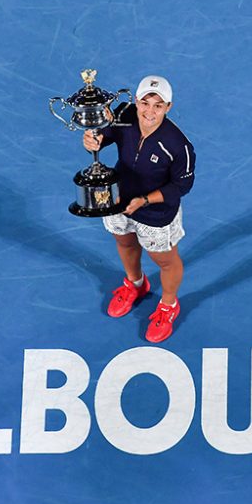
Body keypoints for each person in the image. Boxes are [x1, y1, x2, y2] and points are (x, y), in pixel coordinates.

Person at [83, 75, 195, 343]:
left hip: (156, 212)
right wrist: (92, 140)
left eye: (158, 105)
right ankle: (135, 284)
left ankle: (168, 305)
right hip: (119, 199)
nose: (150, 111)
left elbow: (182, 186)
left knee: (165, 261)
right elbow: (105, 134)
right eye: (145, 103)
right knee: (124, 243)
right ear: (136, 101)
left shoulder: (179, 146)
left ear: (168, 107)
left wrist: (145, 201)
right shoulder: (124, 114)